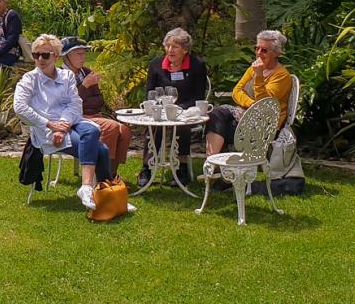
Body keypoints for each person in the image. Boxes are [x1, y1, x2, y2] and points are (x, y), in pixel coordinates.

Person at [13, 34, 133, 212]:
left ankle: (88, 188)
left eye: (45, 55)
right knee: (102, 150)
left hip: (70, 123)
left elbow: (75, 104)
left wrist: (63, 124)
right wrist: (50, 125)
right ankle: (109, 196)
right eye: (36, 54)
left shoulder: (66, 76)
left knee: (92, 131)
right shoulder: (30, 80)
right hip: (47, 130)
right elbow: (19, 107)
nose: (40, 59)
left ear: (55, 56)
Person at [138, 28, 210, 187]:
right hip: (161, 108)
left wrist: (179, 109)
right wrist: (159, 108)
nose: (170, 50)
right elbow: (150, 93)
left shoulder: (197, 65)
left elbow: (198, 96)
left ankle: (181, 168)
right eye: (167, 46)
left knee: (182, 126)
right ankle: (146, 167)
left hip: (186, 110)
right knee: (154, 125)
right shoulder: (156, 64)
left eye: (175, 47)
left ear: (185, 50)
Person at [205, 30, 293, 156]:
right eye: (257, 48)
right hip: (246, 115)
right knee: (216, 114)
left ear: (276, 53)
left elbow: (265, 104)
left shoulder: (282, 76)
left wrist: (259, 76)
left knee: (221, 126)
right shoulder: (253, 68)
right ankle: (214, 163)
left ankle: (213, 165)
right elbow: (236, 91)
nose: (258, 53)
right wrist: (251, 104)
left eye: (264, 50)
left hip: (264, 126)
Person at [60, 37, 132, 177]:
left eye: (84, 53)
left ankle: (111, 173)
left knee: (125, 130)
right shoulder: (61, 76)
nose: (83, 57)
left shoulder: (85, 72)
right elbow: (67, 103)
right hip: (74, 119)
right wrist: (85, 86)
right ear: (66, 56)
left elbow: (99, 100)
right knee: (111, 127)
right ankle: (103, 176)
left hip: (93, 115)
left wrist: (83, 93)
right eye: (78, 54)